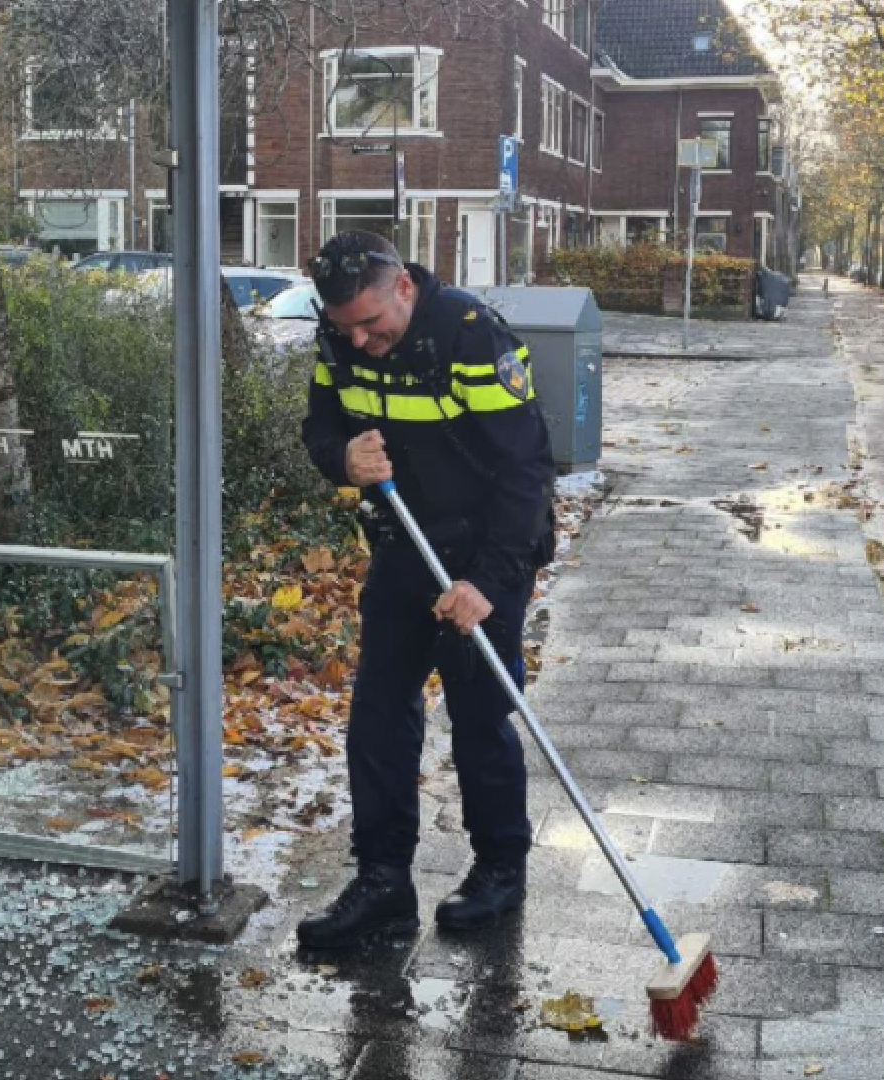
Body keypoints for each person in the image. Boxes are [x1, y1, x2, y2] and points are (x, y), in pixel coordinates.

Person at [295, 231, 557, 950]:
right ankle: (383, 881)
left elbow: (529, 470)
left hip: (485, 549)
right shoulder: (338, 337)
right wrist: (340, 457)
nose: (359, 339)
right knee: (379, 713)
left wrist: (491, 583)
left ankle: (500, 867)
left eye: (371, 323)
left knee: (479, 714)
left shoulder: (470, 338)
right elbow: (321, 427)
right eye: (345, 325)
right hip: (404, 544)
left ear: (403, 287)